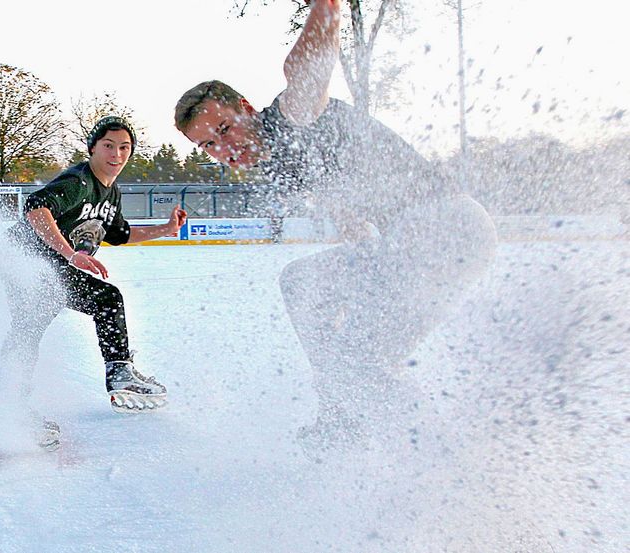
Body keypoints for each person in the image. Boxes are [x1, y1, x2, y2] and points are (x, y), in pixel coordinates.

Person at [174, 0, 497, 451]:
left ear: (246, 108)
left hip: (442, 229)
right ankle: (341, 419)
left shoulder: (290, 117)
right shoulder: (281, 164)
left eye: (225, 129)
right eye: (209, 145)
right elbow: (345, 204)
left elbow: (305, 67)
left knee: (357, 362)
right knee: (302, 283)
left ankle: (442, 462)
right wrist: (355, 237)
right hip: (415, 239)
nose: (224, 149)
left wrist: (326, 5)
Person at [0, 116, 187, 451]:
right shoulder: (79, 181)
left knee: (31, 330)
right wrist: (70, 253)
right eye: (108, 145)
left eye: (124, 147)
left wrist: (164, 229)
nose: (116, 154)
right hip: (25, 260)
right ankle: (117, 373)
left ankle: (4, 411)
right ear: (92, 148)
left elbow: (120, 233)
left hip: (47, 265)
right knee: (100, 301)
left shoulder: (110, 193)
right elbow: (36, 207)